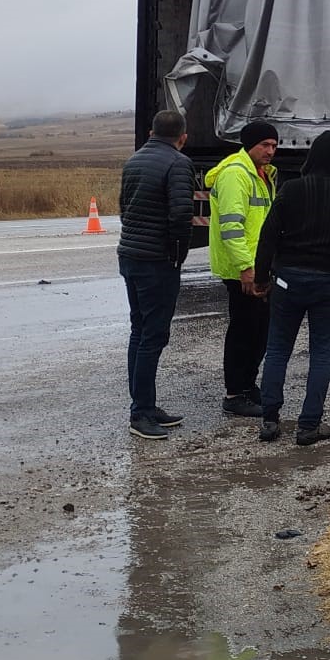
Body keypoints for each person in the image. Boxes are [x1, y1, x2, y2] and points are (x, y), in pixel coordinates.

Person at [251, 131, 330, 446]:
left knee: (278, 349)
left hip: (288, 280)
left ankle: (269, 421)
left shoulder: (291, 190)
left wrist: (263, 277)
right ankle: (309, 425)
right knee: (321, 354)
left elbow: (268, 237)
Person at [117, 109, 194, 439]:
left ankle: (145, 405)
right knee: (153, 336)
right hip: (155, 262)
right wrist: (177, 254)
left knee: (140, 331)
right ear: (183, 137)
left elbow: (123, 206)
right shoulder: (178, 163)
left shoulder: (134, 160)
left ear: (151, 132)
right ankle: (140, 413)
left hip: (130, 255)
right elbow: (181, 215)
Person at [206, 120, 279, 418]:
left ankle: (247, 386)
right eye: (265, 145)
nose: (271, 151)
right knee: (244, 330)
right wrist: (246, 268)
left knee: (259, 328)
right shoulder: (237, 175)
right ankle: (235, 393)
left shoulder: (261, 174)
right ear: (250, 145)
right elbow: (232, 227)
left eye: (274, 145)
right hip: (242, 269)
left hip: (258, 266)